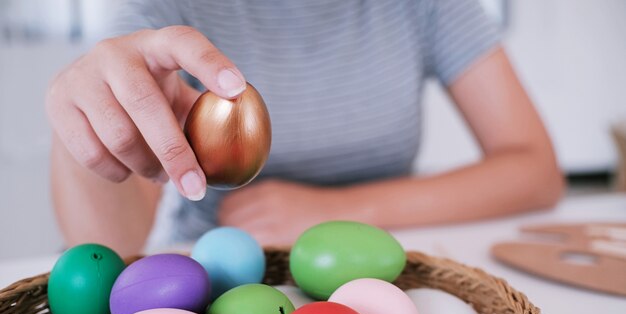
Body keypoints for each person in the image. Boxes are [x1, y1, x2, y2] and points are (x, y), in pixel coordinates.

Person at [48, 0, 563, 257]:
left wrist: (337, 213)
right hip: (224, 268)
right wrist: (88, 122)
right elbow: (112, 253)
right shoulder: (162, 8)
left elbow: (535, 169)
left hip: (379, 256)